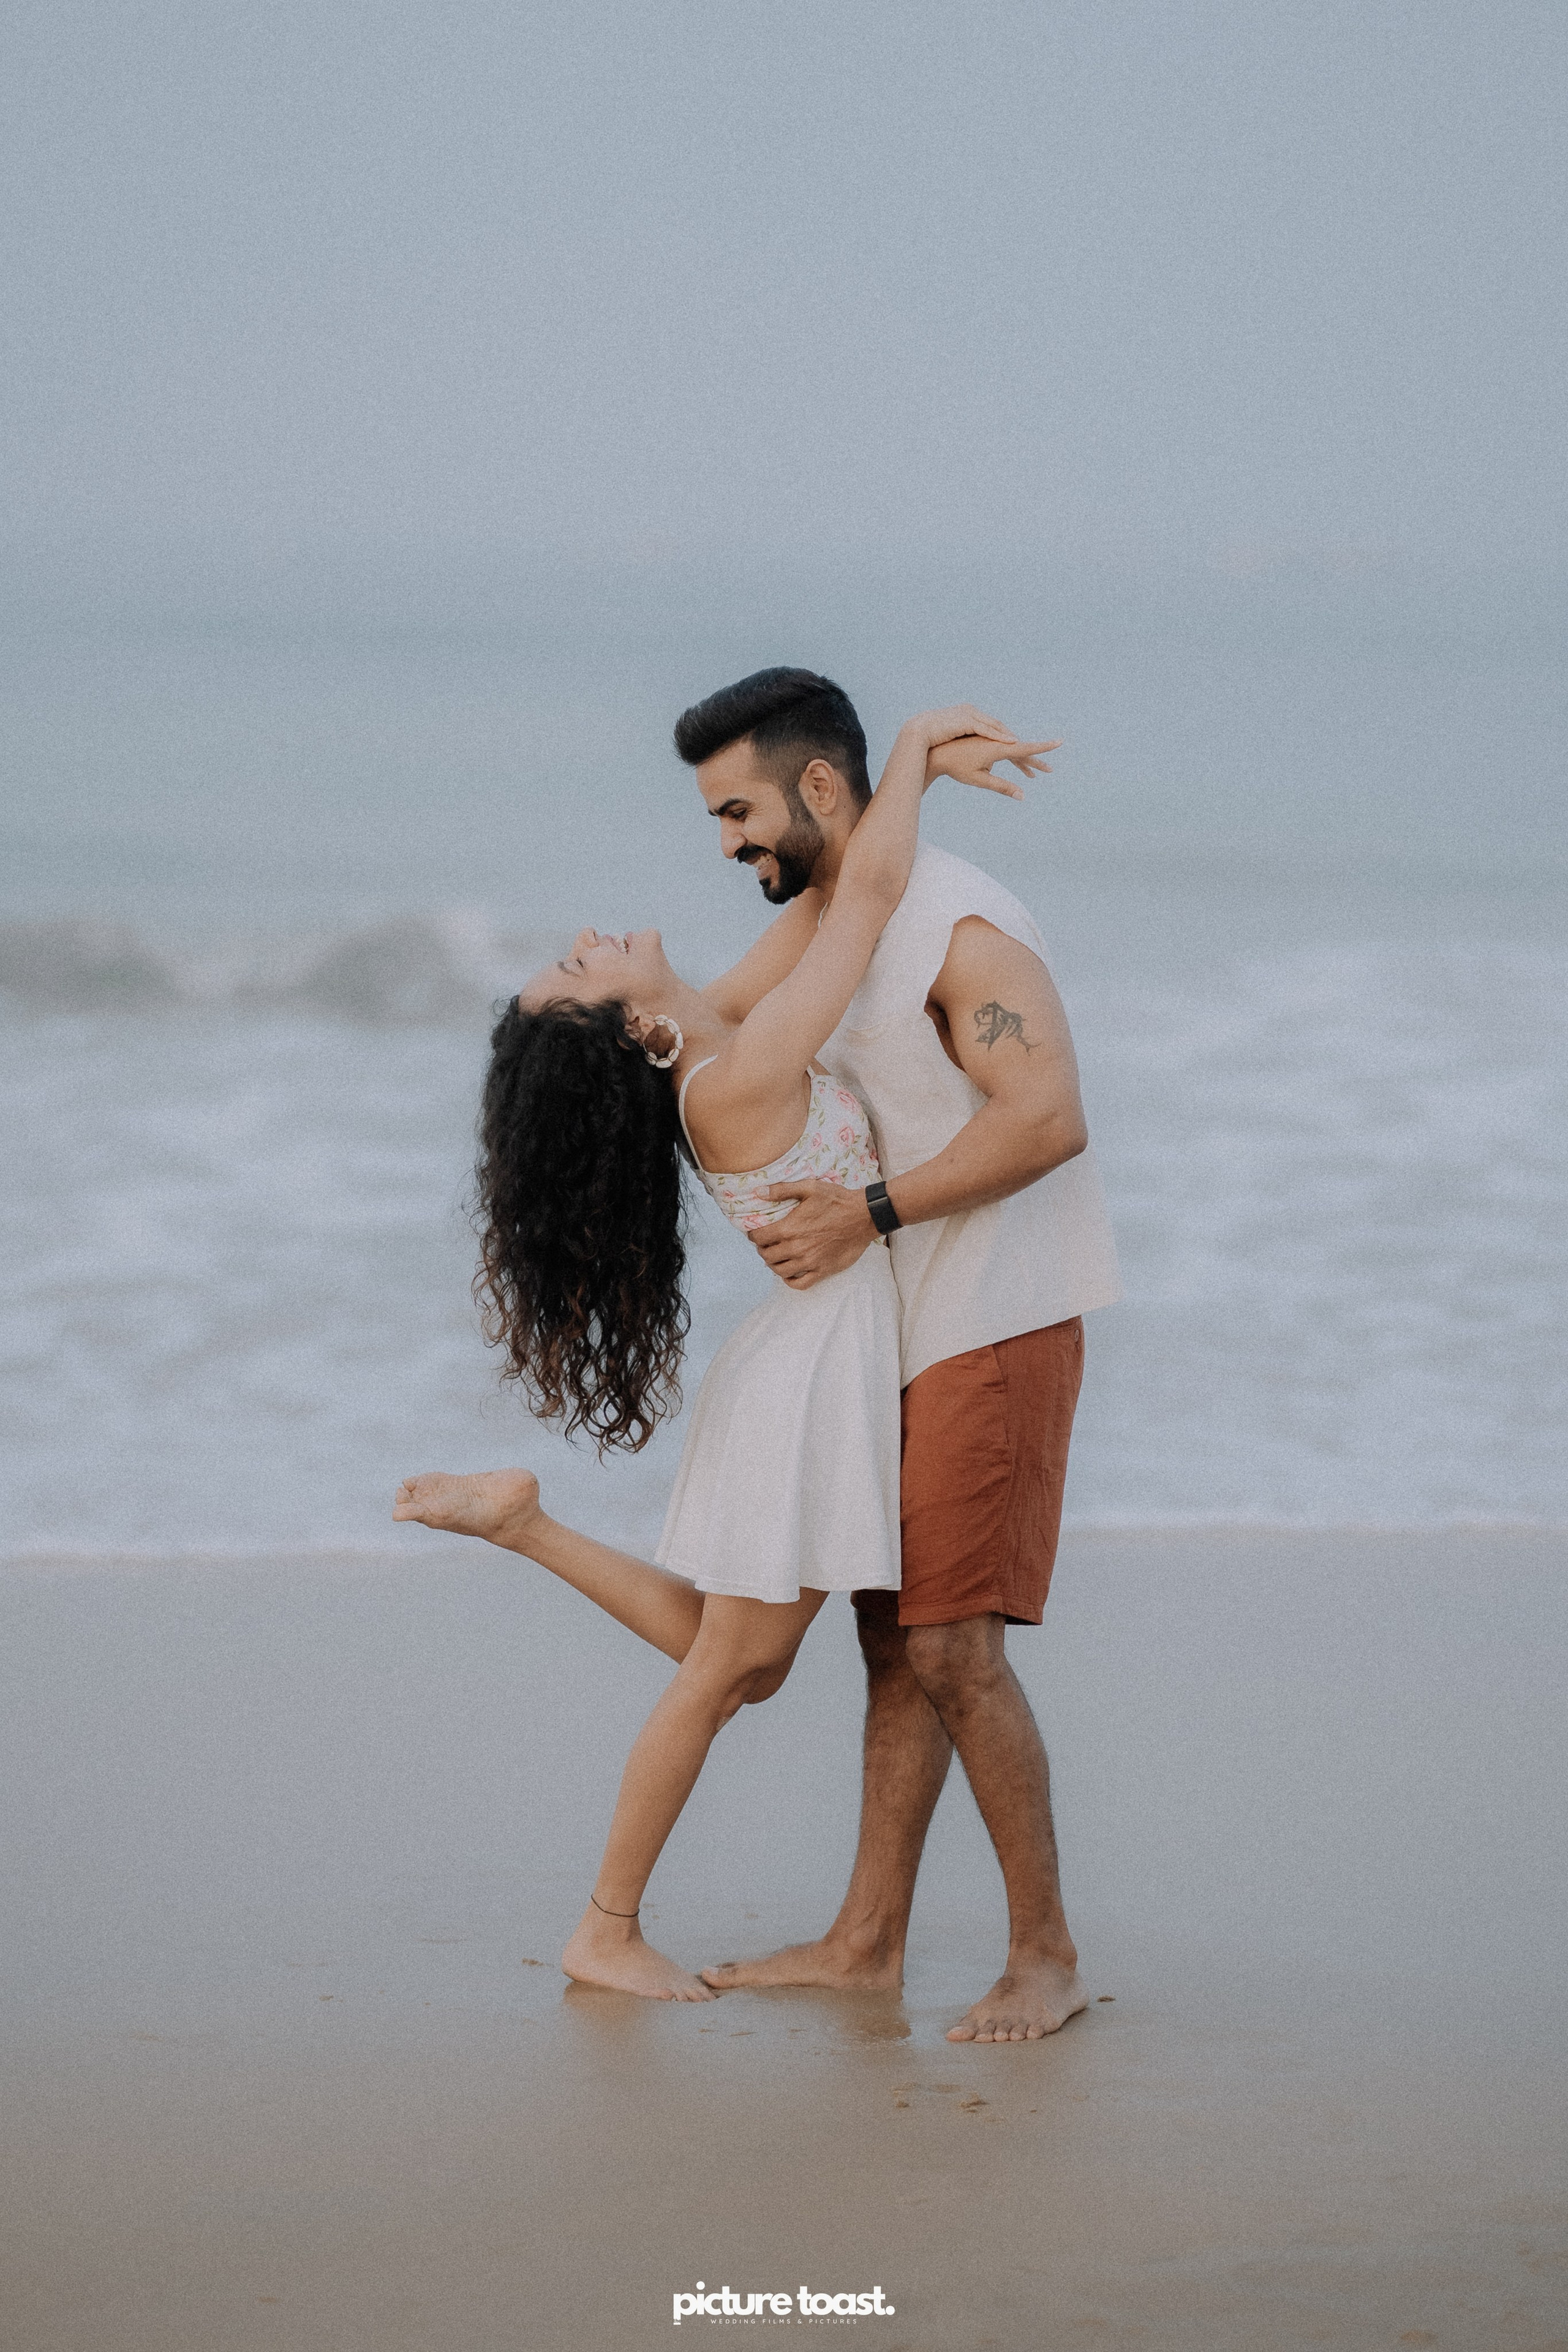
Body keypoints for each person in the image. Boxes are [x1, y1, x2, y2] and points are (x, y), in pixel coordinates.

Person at [394, 696, 1051, 2005]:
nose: (585, 942)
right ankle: (604, 1925)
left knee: (733, 1654)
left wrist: (862, 796)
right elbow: (855, 910)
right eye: (574, 969)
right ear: (617, 1029)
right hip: (816, 1369)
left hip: (822, 1356)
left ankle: (524, 1525)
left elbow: (820, 904)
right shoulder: (736, 1077)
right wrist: (913, 747)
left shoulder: (707, 1044)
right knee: (728, 1668)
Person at [674, 668, 1121, 2043]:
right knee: (892, 1638)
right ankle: (867, 1942)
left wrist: (865, 1211)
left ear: (819, 788)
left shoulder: (957, 926)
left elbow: (1045, 1115)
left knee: (949, 1644)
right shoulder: (830, 914)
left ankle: (1041, 1956)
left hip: (995, 1310)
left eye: (739, 810)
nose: (728, 842)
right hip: (900, 1324)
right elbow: (697, 1024)